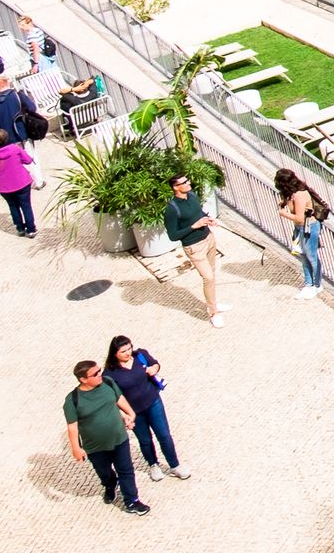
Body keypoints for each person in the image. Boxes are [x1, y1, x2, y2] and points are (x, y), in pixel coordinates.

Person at [64, 360, 150, 516]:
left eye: (100, 370)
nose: (100, 374)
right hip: (95, 447)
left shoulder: (108, 383)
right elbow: (72, 426)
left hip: (119, 438)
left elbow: (119, 399)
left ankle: (132, 501)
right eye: (95, 373)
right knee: (103, 472)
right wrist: (76, 448)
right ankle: (110, 484)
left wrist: (130, 415)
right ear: (83, 379)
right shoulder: (72, 400)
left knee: (126, 470)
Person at [102, 335, 188, 483]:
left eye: (129, 348)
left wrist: (153, 369)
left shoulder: (140, 355)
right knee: (145, 440)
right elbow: (113, 397)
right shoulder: (110, 373)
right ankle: (153, 464)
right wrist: (125, 415)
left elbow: (155, 364)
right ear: (115, 353)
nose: (128, 353)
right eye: (123, 351)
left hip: (153, 402)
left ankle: (174, 465)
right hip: (134, 411)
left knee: (164, 435)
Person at [163, 173, 226, 327]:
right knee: (208, 278)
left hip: (208, 239)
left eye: (188, 180)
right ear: (175, 187)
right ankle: (213, 312)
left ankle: (214, 304)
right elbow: (173, 236)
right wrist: (194, 226)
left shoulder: (192, 195)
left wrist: (207, 219)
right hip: (193, 247)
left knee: (211, 274)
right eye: (184, 182)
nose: (189, 182)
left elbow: (199, 213)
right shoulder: (172, 209)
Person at [274, 168, 328, 299]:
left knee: (311, 256)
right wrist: (284, 202)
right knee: (304, 257)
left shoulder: (300, 195)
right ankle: (308, 284)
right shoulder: (290, 195)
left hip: (309, 227)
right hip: (300, 228)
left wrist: (283, 214)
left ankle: (317, 284)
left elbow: (299, 218)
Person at [0, 128, 36, 237]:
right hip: (21, 182)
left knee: (13, 206)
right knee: (26, 206)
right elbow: (28, 160)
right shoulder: (15, 148)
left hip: (4, 186)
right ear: (7, 137)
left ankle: (20, 228)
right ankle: (31, 229)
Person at [0, 74, 35, 146]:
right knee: (28, 156)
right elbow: (32, 109)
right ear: (7, 84)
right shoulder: (19, 96)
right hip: (23, 134)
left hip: (6, 141)